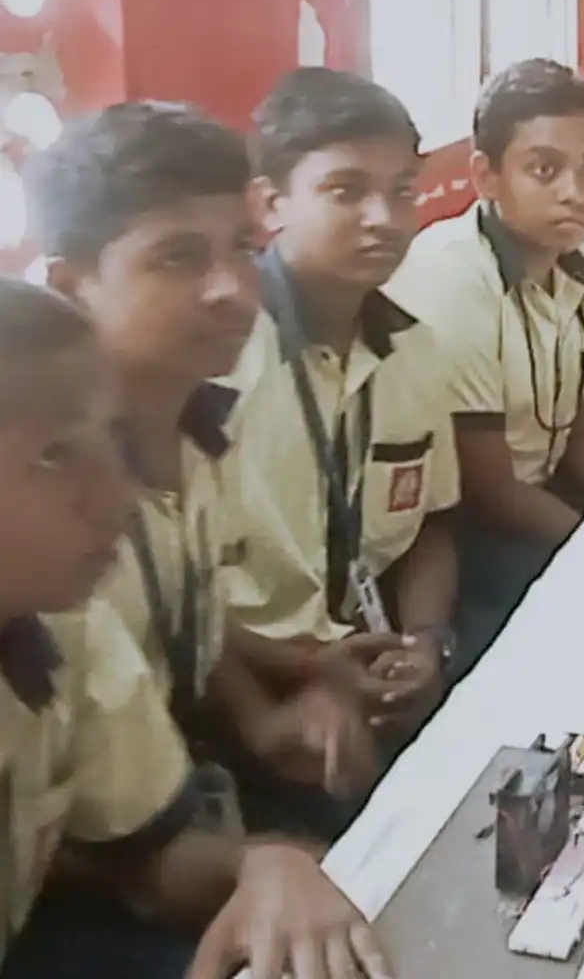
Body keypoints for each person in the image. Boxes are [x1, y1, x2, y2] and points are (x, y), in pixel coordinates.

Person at [0, 278, 388, 979]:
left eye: (111, 440)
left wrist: (263, 865)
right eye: (55, 455)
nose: (120, 497)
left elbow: (151, 855)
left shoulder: (65, 623)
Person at [25, 101, 379, 823]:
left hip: (188, 764)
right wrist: (239, 863)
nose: (231, 289)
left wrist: (272, 707)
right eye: (178, 258)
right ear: (69, 288)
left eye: (242, 250)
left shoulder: (203, 428)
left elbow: (189, 616)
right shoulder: (48, 499)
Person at [226, 68, 460, 796]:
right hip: (245, 683)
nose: (383, 218)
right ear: (271, 204)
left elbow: (431, 527)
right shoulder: (220, 360)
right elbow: (176, 597)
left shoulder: (415, 350)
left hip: (362, 651)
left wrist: (426, 643)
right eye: (344, 190)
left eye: (402, 192)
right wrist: (291, 689)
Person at [386, 59, 584, 670]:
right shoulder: (453, 277)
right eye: (544, 170)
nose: (576, 192)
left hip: (541, 496)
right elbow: (488, 491)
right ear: (485, 176)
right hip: (462, 528)